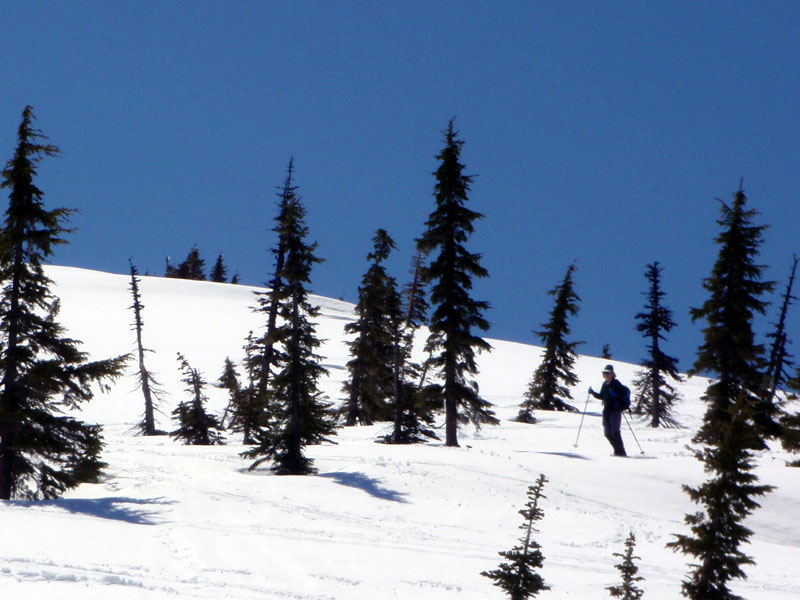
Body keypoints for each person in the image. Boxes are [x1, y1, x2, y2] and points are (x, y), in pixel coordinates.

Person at [588, 364, 627, 456]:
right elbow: (602, 396)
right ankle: (617, 450)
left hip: (615, 410)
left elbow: (622, 395)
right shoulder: (605, 384)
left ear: (612, 374)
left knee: (615, 431)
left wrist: (616, 396)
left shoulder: (617, 384)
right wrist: (593, 393)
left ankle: (621, 452)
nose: (606, 375)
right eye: (604, 373)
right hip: (606, 410)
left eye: (608, 373)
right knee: (607, 433)